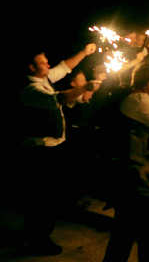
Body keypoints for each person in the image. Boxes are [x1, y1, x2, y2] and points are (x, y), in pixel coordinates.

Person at [19, 43, 97, 256]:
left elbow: (64, 67)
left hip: (52, 147)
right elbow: (59, 98)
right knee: (42, 198)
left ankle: (37, 235)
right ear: (31, 68)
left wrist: (85, 52)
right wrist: (85, 87)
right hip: (39, 151)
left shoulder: (43, 79)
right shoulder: (31, 89)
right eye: (43, 63)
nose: (48, 65)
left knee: (48, 196)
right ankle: (38, 240)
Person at [101, 64, 149, 262]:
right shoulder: (139, 100)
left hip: (121, 169)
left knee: (124, 231)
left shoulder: (133, 97)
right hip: (129, 171)